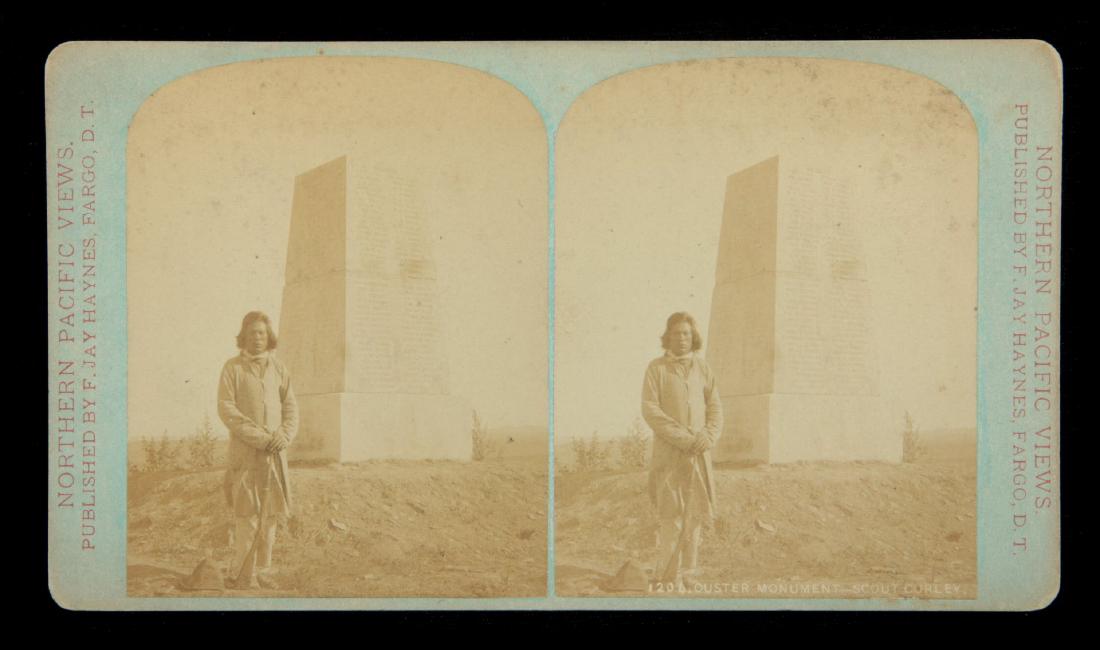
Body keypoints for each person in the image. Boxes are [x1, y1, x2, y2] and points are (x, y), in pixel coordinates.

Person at [641, 311, 723, 589]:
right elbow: (651, 410)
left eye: (687, 333)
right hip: (670, 456)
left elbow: (715, 407)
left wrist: (708, 436)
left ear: (694, 336)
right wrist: (684, 438)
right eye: (676, 333)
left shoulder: (703, 369)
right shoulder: (656, 369)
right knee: (671, 516)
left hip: (699, 455)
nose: (682, 339)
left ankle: (689, 575)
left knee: (696, 515)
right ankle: (667, 576)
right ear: (668, 337)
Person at [217, 311, 298, 589]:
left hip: (275, 456)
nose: (258, 338)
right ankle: (244, 573)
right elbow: (227, 410)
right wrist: (260, 438)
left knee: (271, 515)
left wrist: (283, 437)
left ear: (269, 336)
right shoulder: (233, 368)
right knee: (247, 516)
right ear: (244, 336)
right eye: (252, 333)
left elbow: (290, 409)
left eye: (262, 333)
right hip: (246, 456)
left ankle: (264, 570)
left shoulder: (279, 369)